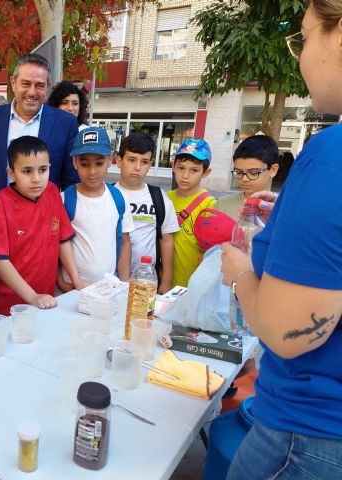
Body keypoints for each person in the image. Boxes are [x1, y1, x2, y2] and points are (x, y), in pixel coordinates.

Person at [221, 3, 342, 478]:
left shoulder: (330, 157)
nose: (301, 56)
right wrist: (293, 214)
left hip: (309, 433)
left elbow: (286, 333)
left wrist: (239, 275)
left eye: (305, 38)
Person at [0, 136, 84, 315]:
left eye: (42, 170)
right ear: (11, 173)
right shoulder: (2, 201)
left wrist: (77, 280)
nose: (36, 178)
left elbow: (62, 240)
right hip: (5, 305)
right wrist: (32, 296)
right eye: (27, 171)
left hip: (44, 301)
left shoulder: (52, 192)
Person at [0, 53, 79, 210]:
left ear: (48, 86)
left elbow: (71, 180)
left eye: (39, 85)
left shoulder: (65, 123)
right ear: (13, 82)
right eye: (26, 83)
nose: (32, 92)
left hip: (43, 220)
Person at [58, 127, 133, 293]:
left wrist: (125, 280)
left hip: (109, 287)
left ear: (110, 160)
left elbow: (124, 241)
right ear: (74, 162)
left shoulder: (119, 198)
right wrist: (63, 283)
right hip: (72, 288)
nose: (92, 171)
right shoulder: (64, 199)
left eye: (99, 163)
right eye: (84, 164)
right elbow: (56, 244)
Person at [115, 133, 179, 294]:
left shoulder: (159, 197)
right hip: (112, 278)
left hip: (146, 279)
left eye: (144, 162)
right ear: (118, 161)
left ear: (150, 164)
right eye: (131, 160)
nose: (137, 167)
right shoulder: (108, 194)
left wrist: (166, 281)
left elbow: (167, 240)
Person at [167, 138, 216, 288]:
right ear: (173, 166)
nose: (185, 176)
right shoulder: (165, 198)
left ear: (206, 172)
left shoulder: (210, 205)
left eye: (194, 170)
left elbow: (211, 253)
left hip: (192, 286)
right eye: (181, 168)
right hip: (163, 282)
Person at [216, 135, 279, 220]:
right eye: (239, 172)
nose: (244, 179)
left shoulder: (284, 209)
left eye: (253, 173)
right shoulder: (222, 204)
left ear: (273, 170)